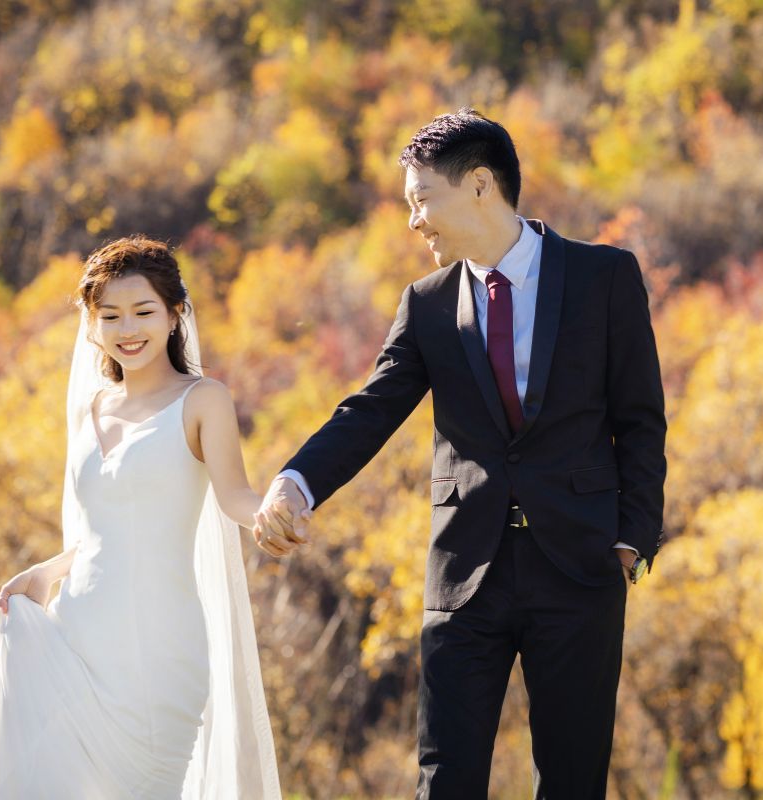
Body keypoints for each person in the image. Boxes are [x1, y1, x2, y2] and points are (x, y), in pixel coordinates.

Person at [254, 109, 667, 798]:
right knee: (444, 779)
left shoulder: (605, 278)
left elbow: (641, 420)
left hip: (581, 569)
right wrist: (294, 484)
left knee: (572, 780)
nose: (414, 221)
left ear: (480, 185)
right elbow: (370, 410)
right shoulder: (426, 304)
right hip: (463, 575)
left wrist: (634, 539)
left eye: (422, 201)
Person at [0, 236, 281, 799]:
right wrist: (46, 573)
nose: (126, 329)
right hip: (78, 632)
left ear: (175, 314)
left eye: (143, 312)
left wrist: (273, 510)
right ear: (92, 325)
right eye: (109, 315)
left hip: (160, 644)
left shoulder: (204, 400)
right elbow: (99, 530)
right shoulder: (90, 407)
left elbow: (236, 495)